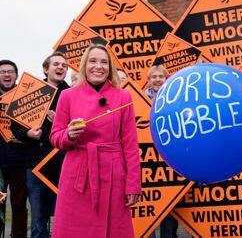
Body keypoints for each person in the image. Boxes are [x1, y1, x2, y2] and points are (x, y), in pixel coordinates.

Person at [49, 44, 141, 237]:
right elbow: (55, 137)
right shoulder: (67, 96)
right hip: (77, 174)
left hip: (114, 174)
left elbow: (131, 145)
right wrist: (69, 134)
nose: (98, 66)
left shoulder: (123, 97)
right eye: (93, 61)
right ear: (84, 65)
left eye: (104, 62)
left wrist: (133, 184)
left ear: (110, 68)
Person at [11, 52, 69, 238]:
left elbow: (79, 126)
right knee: (38, 221)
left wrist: (60, 122)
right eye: (56, 64)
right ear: (46, 69)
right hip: (35, 165)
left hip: (63, 165)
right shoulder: (30, 92)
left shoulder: (72, 94)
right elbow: (15, 126)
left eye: (64, 65)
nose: (61, 67)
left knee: (66, 219)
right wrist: (27, 134)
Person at [146, 65, 179, 238]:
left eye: (161, 77)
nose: (158, 79)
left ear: (167, 79)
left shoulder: (175, 99)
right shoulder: (139, 100)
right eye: (154, 77)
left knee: (170, 205)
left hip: (169, 161)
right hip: (147, 161)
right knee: (149, 206)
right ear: (148, 80)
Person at [0, 60, 28, 238]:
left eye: (11, 72)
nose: (7, 75)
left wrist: (25, 137)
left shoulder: (25, 97)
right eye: (3, 72)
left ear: (17, 75)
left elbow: (36, 126)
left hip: (20, 161)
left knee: (19, 206)